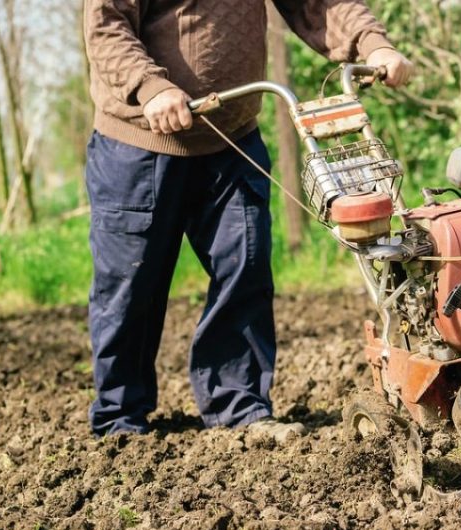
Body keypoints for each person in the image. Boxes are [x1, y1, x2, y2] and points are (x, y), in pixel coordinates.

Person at [83, 0, 413, 439]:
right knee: (130, 286)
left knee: (245, 271)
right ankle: (119, 419)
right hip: (139, 145)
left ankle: (238, 409)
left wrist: (373, 45)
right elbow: (106, 24)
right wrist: (150, 86)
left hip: (233, 138)